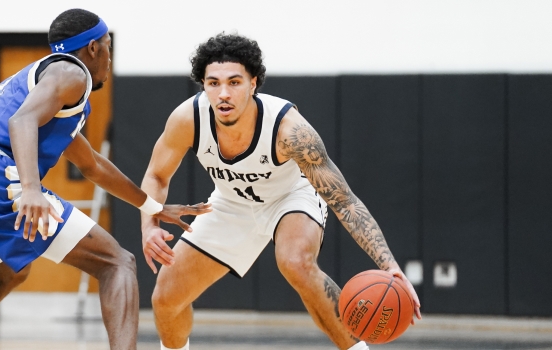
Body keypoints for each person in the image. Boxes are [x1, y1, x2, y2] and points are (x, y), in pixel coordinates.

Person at [0, 9, 211, 350]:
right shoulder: (72, 73)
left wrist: (153, 206)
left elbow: (92, 165)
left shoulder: (50, 88)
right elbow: (22, 123)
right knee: (117, 263)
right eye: (108, 47)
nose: (109, 58)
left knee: (11, 273)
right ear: (93, 49)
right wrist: (31, 189)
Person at [140, 33, 422, 350]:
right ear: (203, 85)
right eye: (213, 83)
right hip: (232, 204)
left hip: (290, 197)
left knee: (295, 262)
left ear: (253, 83)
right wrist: (150, 225)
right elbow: (156, 175)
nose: (223, 94)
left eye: (234, 82)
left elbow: (344, 201)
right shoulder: (187, 119)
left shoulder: (290, 130)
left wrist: (390, 267)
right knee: (165, 299)